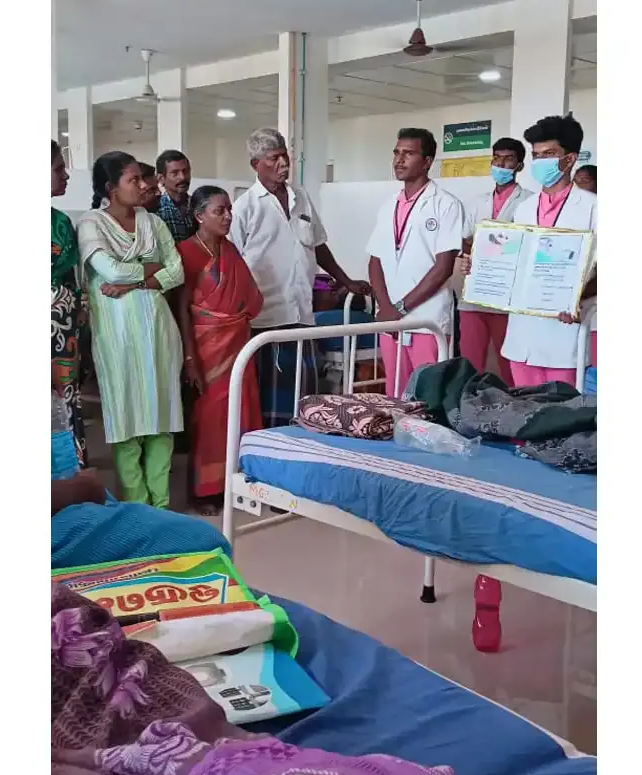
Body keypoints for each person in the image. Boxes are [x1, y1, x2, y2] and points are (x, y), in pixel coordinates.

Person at [230, 128, 371, 426]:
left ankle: (300, 446)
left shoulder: (301, 197)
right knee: (270, 403)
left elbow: (318, 245)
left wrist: (346, 281)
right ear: (256, 164)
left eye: (285, 156)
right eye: (274, 158)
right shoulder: (245, 207)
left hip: (301, 314)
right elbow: (233, 262)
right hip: (265, 319)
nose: (283, 163)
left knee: (304, 397)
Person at [77, 152, 186, 507]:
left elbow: (177, 272)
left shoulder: (152, 222)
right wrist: (150, 269)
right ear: (112, 188)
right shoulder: (92, 224)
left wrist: (135, 282)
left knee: (161, 419)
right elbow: (110, 271)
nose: (143, 185)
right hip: (117, 337)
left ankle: (161, 507)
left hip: (158, 332)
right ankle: (137, 509)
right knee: (125, 421)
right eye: (133, 179)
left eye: (142, 178)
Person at [175, 186, 264, 514]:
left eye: (229, 210)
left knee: (241, 410)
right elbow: (182, 309)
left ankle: (236, 482)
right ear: (199, 216)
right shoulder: (186, 252)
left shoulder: (230, 250)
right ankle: (204, 491)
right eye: (219, 211)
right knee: (209, 419)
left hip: (238, 344)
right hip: (206, 348)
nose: (228, 216)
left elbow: (250, 296)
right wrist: (189, 358)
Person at [498, 114, 597, 387]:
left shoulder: (593, 208)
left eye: (549, 154)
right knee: (524, 409)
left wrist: (575, 297)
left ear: (569, 159)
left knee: (560, 410)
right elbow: (515, 262)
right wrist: (481, 268)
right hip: (521, 336)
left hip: (563, 336)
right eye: (536, 155)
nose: (540, 161)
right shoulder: (524, 209)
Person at [366, 128, 464, 393]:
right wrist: (386, 307)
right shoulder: (389, 205)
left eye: (408, 154)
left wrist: (400, 308)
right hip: (390, 321)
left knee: (427, 395)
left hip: (426, 319)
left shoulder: (446, 204)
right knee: (395, 392)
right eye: (396, 153)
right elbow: (375, 261)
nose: (399, 160)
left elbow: (443, 267)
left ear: (427, 161)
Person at [456, 136, 529, 384]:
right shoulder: (477, 201)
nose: (501, 164)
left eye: (508, 159)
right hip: (475, 292)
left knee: (509, 361)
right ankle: (467, 402)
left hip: (507, 296)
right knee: (470, 361)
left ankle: (513, 402)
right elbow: (465, 239)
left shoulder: (528, 202)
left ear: (519, 165)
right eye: (497, 158)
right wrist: (471, 255)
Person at [51, 142, 88, 465]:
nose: (66, 175)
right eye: (58, 168)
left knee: (65, 399)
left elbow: (72, 280)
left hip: (63, 335)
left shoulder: (60, 223)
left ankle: (69, 469)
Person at [155, 148, 197, 243]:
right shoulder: (155, 210)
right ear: (161, 178)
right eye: (175, 173)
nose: (182, 177)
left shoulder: (199, 205)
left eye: (185, 171)